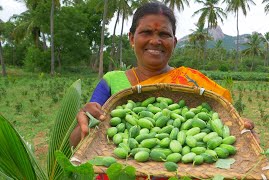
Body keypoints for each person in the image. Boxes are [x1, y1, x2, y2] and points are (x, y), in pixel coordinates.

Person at [70, 1, 257, 179]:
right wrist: (85, 119)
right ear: (132, 38)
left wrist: (245, 135)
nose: (155, 40)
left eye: (164, 35)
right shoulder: (112, 81)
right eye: (146, 32)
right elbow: (78, 141)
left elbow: (227, 127)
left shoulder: (191, 82)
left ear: (174, 42)